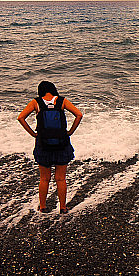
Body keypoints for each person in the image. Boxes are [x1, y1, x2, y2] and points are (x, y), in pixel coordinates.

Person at [18, 81, 83, 213]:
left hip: (43, 144)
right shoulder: (62, 101)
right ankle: (63, 208)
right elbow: (79, 115)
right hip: (62, 143)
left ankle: (43, 207)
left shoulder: (36, 102)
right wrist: (70, 132)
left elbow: (21, 118)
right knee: (60, 178)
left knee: (44, 179)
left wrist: (33, 134)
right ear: (53, 89)